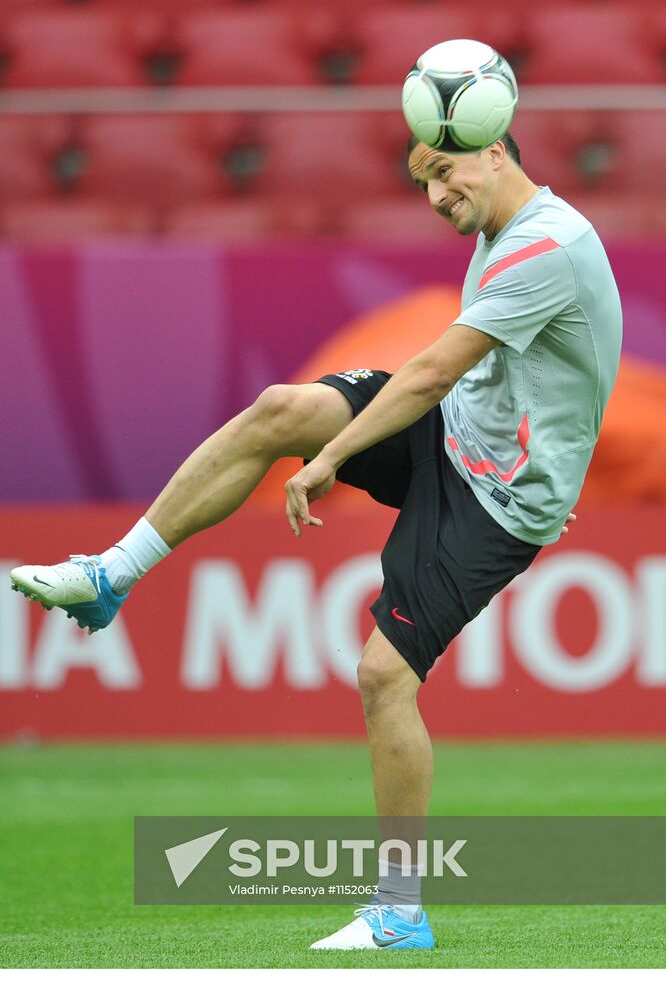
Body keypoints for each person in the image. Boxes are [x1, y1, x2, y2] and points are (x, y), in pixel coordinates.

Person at [10, 129, 622, 950]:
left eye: (444, 172)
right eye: (421, 182)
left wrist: (331, 458)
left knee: (382, 679)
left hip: (497, 499)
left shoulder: (549, 243)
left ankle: (400, 913)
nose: (435, 196)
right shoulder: (500, 230)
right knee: (278, 410)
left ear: (497, 150)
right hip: (460, 437)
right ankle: (113, 573)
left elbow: (434, 369)